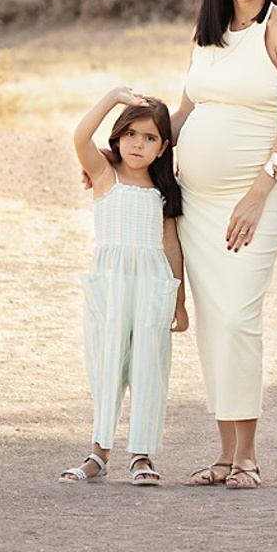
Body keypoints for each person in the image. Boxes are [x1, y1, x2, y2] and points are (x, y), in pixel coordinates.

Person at [174, 0, 277, 488]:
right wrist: (123, 153)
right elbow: (183, 114)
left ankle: (249, 454)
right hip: (195, 202)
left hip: (255, 196)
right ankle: (223, 454)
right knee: (213, 324)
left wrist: (259, 190)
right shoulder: (205, 34)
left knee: (238, 315)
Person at [62, 90, 188, 485]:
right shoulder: (104, 175)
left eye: (150, 138)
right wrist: (112, 97)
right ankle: (98, 452)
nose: (138, 144)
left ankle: (142, 456)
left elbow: (171, 245)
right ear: (117, 136)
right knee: (106, 363)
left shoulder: (162, 189)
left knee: (150, 366)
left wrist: (179, 301)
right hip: (111, 284)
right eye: (131, 134)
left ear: (163, 146)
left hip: (152, 284)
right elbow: (80, 137)